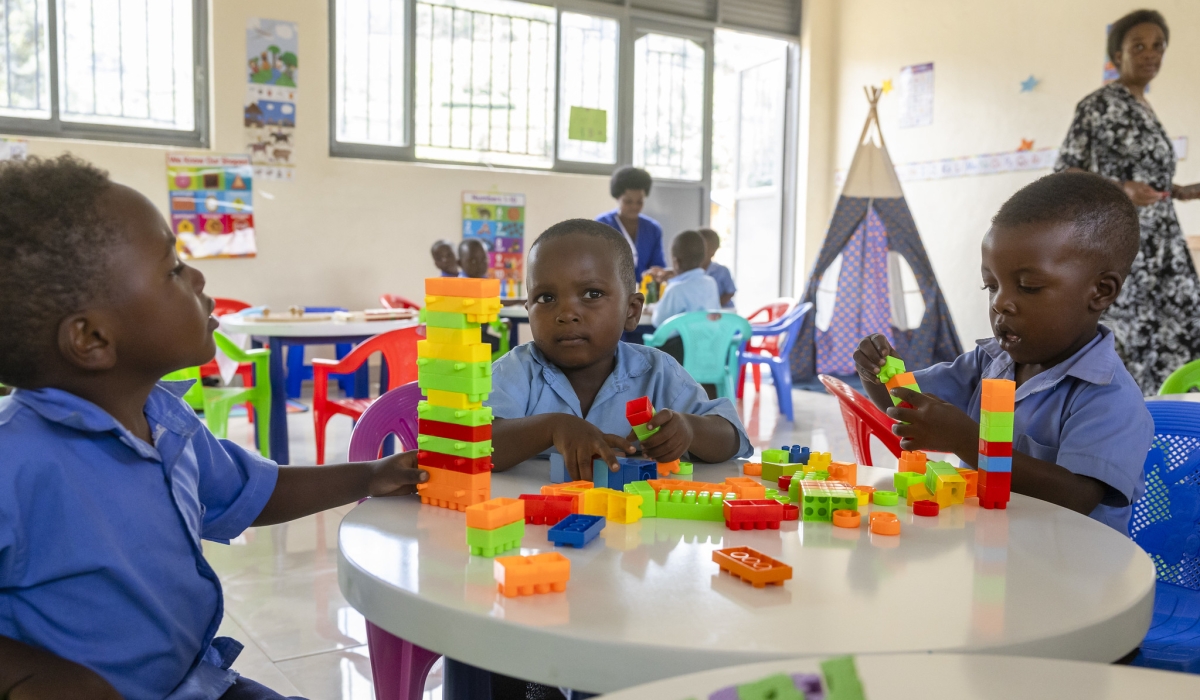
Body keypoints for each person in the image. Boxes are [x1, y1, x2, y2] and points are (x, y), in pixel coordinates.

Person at [0, 156, 428, 700]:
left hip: (199, 685)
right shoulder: (15, 458)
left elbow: (252, 491)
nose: (199, 277)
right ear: (92, 339)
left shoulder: (164, 419)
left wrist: (369, 475)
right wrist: (22, 674)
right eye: (173, 270)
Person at [854, 172, 1152, 534]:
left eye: (1028, 286)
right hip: (988, 552)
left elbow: (1075, 497)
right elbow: (904, 403)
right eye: (990, 285)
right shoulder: (991, 361)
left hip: (1073, 575)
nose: (1001, 303)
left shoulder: (1109, 398)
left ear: (1101, 292)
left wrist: (966, 439)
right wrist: (876, 371)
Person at [488, 219, 751, 481]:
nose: (566, 314)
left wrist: (690, 430)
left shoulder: (657, 372)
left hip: (639, 519)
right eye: (546, 298)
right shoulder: (516, 371)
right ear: (528, 311)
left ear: (631, 310)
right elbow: (473, 442)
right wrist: (551, 428)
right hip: (536, 518)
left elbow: (731, 437)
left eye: (591, 294)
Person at [1055, 9, 1200, 394]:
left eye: (1158, 47)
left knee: (1182, 333)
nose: (1150, 54)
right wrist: (1122, 189)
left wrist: (1180, 190)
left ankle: (1170, 426)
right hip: (1125, 247)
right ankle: (1132, 437)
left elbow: (1148, 177)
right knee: (1134, 345)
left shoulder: (1145, 109)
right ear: (1116, 56)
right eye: (1139, 46)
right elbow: (1065, 173)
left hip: (1165, 249)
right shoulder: (1098, 105)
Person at [652, 230, 722, 368]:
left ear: (676, 262)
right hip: (708, 352)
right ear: (702, 259)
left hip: (678, 359)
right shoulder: (711, 283)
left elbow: (658, 322)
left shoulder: (675, 289)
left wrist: (654, 309)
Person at [595, 166, 666, 280]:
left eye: (640, 202)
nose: (634, 207)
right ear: (617, 197)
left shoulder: (653, 229)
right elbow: (596, 263)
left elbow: (658, 265)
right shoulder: (603, 224)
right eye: (628, 201)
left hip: (644, 292)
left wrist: (657, 273)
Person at [699, 228, 736, 309]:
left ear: (713, 251)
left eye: (702, 248)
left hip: (724, 310)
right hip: (704, 312)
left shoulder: (722, 271)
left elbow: (730, 292)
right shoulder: (693, 272)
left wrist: (715, 304)